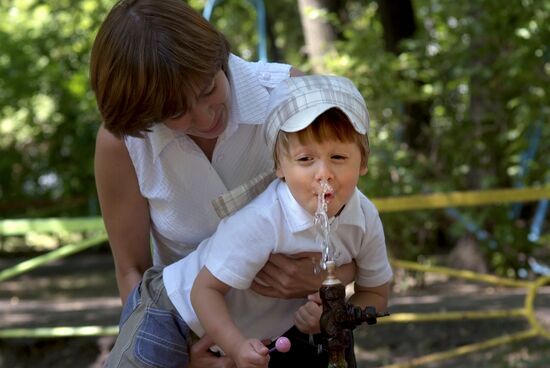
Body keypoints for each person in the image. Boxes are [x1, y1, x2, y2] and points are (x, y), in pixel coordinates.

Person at [90, 0, 356, 366]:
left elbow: (356, 234)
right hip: (197, 341)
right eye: (175, 113)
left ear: (217, 56)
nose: (204, 117)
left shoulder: (288, 94)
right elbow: (131, 272)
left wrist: (327, 279)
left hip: (304, 333)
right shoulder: (124, 144)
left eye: (206, 89)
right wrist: (179, 353)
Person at [105, 75, 393, 368]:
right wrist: (237, 347)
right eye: (306, 159)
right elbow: (203, 290)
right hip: (171, 312)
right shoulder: (264, 220)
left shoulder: (364, 218)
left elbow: (376, 292)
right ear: (279, 166)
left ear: (363, 161)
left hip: (241, 327)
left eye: (339, 156)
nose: (324, 172)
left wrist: (334, 318)